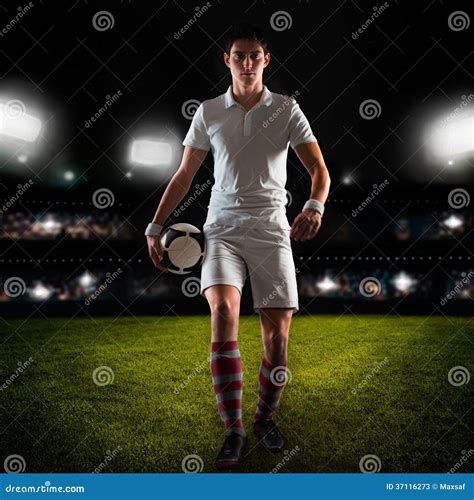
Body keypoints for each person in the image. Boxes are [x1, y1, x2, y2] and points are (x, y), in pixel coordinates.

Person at [145, 22, 331, 470]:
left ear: (266, 60)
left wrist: (314, 207)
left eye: (254, 55)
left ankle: (265, 419)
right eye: (238, 55)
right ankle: (234, 429)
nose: (246, 62)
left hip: (272, 229)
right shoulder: (208, 111)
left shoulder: (287, 109)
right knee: (224, 311)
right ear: (227, 61)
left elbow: (319, 171)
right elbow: (185, 175)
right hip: (221, 227)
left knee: (278, 337)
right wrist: (155, 225)